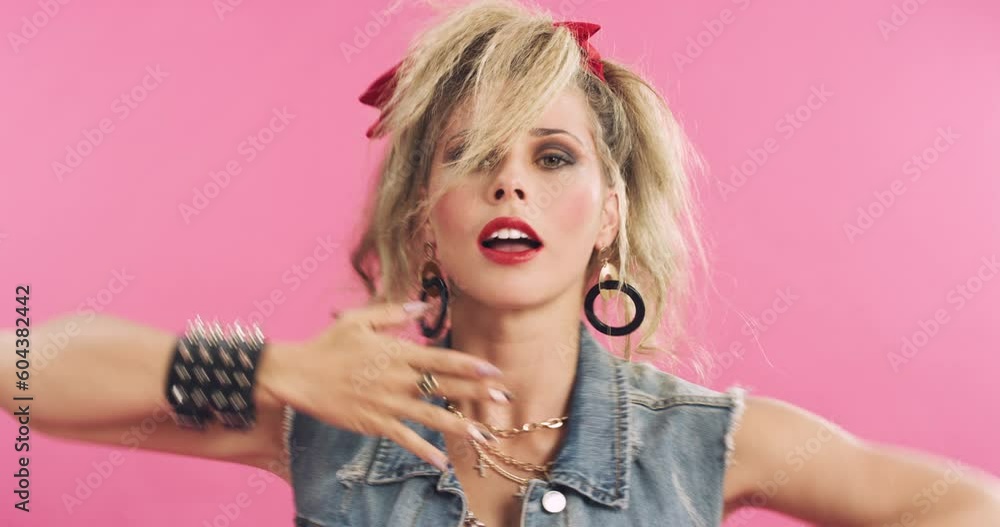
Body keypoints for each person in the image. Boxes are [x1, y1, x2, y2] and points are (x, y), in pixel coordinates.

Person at [4, 1, 999, 525]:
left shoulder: (705, 443)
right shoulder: (330, 417)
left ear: (609, 216)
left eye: (552, 156)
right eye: (471, 157)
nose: (509, 183)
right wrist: (277, 369)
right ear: (424, 223)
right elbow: (21, 366)